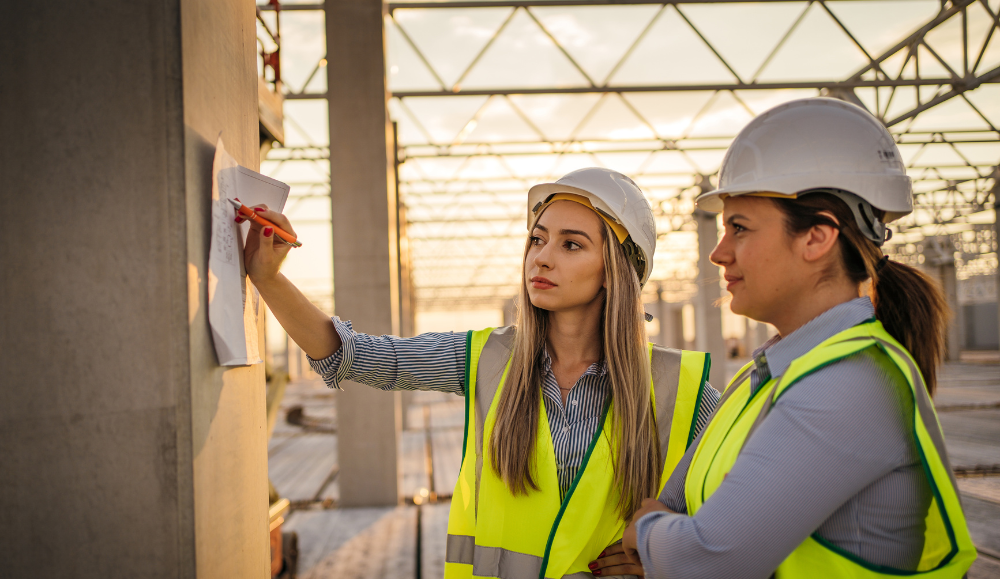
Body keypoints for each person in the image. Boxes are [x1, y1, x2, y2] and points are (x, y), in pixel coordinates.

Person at [241, 167, 721, 579]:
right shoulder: (484, 359)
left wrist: (673, 553)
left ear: (616, 270)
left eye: (571, 244)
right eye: (538, 238)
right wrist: (268, 278)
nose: (543, 256)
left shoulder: (682, 390)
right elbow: (354, 355)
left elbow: (752, 515)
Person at [598, 98, 977, 578]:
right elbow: (680, 503)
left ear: (817, 238)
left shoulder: (846, 387)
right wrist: (665, 537)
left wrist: (648, 532)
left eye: (739, 227)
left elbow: (703, 558)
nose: (717, 252)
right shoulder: (771, 373)